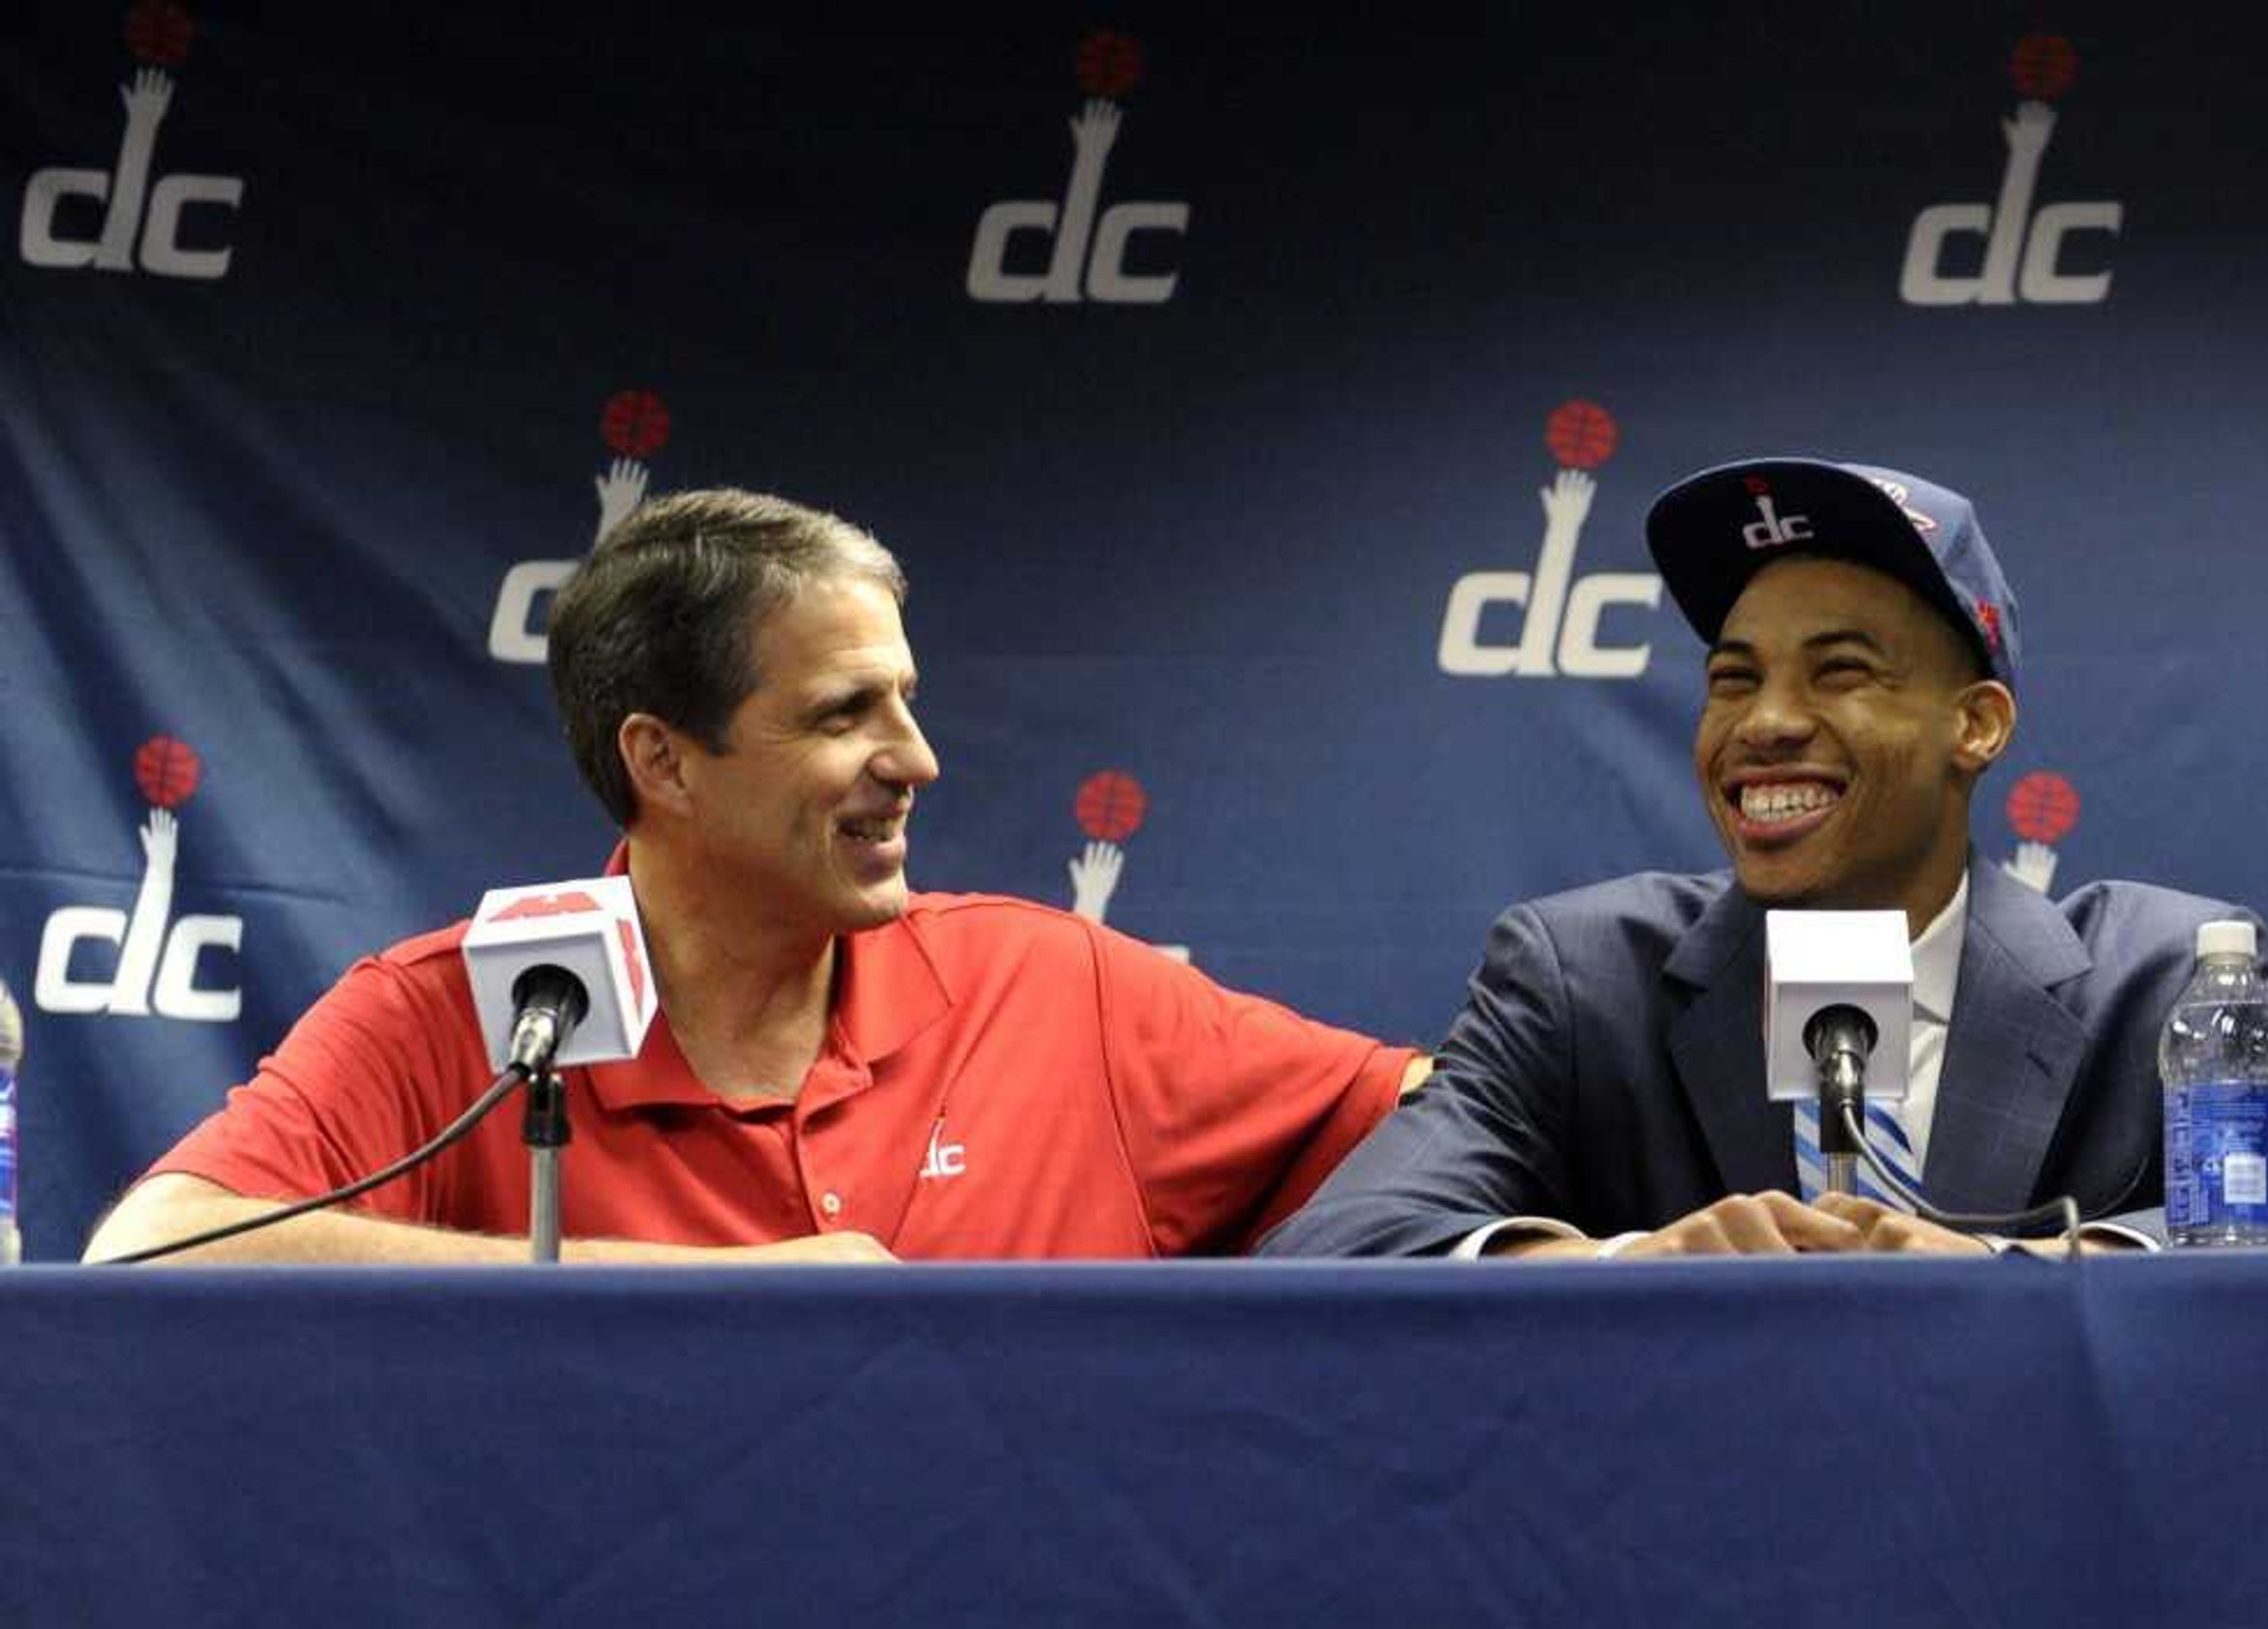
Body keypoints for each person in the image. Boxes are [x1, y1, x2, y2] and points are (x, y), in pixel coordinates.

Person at [85, 489, 1410, 1263]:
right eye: (846, 716)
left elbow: (1433, 1117)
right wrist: (718, 1297)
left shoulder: (1052, 984)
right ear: (664, 761)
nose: (919, 761)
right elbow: (150, 1249)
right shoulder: (455, 1016)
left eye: (908, 701)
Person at [1257, 458, 2268, 1258]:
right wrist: (1630, 1262)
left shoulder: (2169, 977)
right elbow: (1333, 1245)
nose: (1765, 722)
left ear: (1978, 726)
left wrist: (2023, 1269)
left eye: (1840, 672)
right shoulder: (1579, 978)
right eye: (1732, 678)